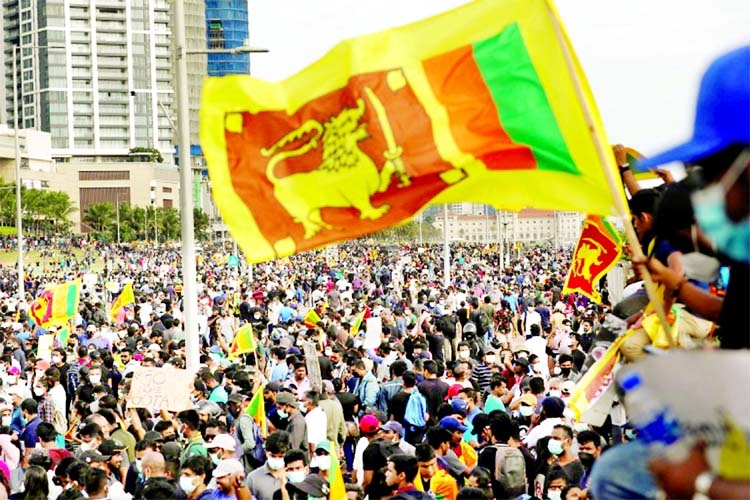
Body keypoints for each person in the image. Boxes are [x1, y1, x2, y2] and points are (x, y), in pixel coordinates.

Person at [245, 431, 290, 500]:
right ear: (266, 452)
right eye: (273, 456)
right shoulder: (253, 478)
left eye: (281, 456)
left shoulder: (292, 476)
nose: (276, 459)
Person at [275, 391, 308, 457]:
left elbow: (294, 447)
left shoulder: (297, 422)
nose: (278, 410)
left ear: (287, 406)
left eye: (279, 408)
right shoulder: (292, 420)